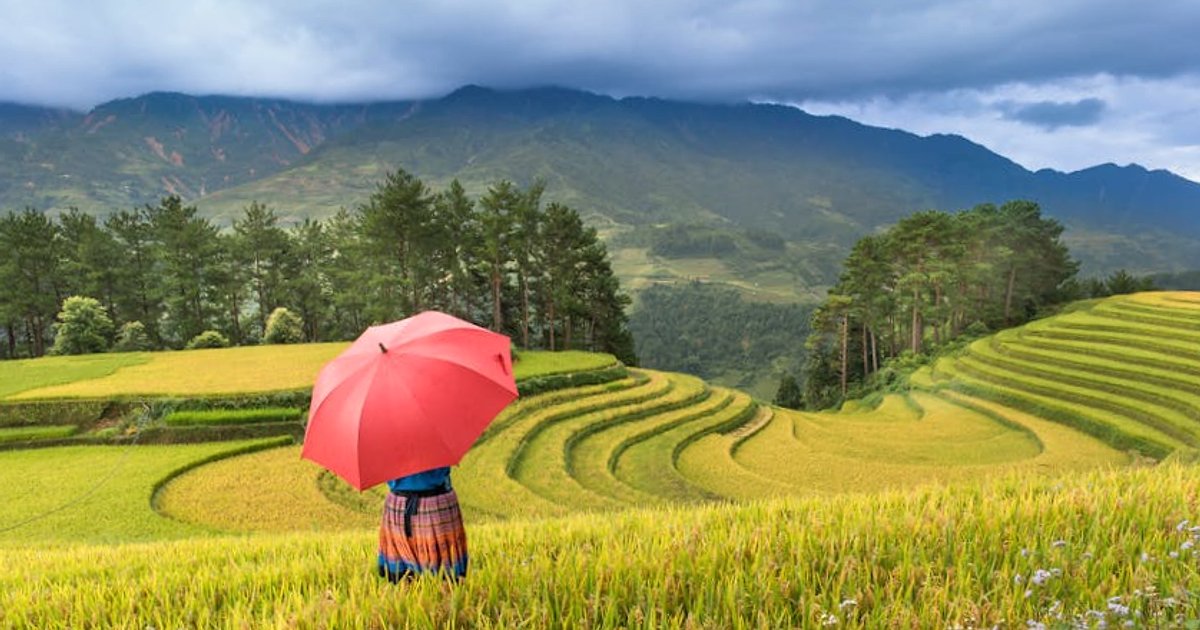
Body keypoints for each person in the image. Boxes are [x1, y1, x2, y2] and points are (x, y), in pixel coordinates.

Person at [377, 465, 469, 582]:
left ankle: (412, 595)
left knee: (405, 577)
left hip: (399, 506)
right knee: (445, 572)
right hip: (435, 505)